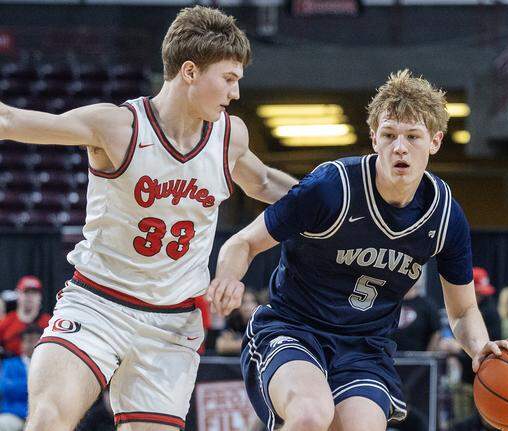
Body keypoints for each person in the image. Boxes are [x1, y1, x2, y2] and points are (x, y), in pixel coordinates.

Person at [0, 6, 297, 430]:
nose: (235, 94)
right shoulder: (118, 126)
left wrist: (341, 200)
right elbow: (11, 120)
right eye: (229, 79)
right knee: (47, 419)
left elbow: (265, 182)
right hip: (99, 303)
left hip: (171, 325)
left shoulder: (230, 135)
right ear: (190, 71)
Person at [209, 70, 508, 431]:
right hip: (294, 328)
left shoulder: (445, 215)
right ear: (374, 138)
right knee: (311, 416)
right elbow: (243, 241)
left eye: (412, 137)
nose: (400, 147)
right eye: (389, 135)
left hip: (363, 348)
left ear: (435, 142)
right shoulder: (333, 188)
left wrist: (480, 348)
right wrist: (228, 277)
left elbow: (464, 308)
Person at [0, 326, 41, 431]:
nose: (30, 345)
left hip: (40, 416)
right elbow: (5, 388)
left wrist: (18, 386)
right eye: (27, 341)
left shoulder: (49, 366)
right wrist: (36, 385)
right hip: (13, 414)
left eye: (34, 341)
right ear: (21, 344)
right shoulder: (9, 364)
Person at [0, 276, 50, 357]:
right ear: (18, 294)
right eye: (26, 292)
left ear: (40, 296)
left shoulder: (49, 324)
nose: (30, 297)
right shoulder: (6, 322)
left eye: (34, 293)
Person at [392, 273, 442, 352]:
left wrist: (428, 355)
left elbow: (436, 332)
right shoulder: (390, 303)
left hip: (419, 358)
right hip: (390, 357)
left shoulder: (427, 305)